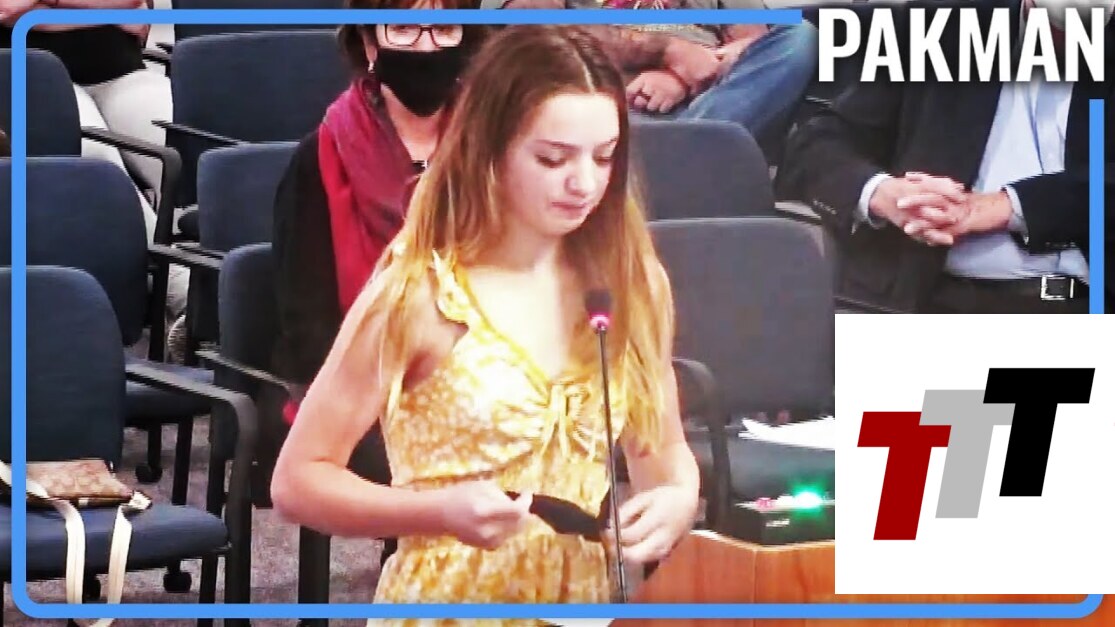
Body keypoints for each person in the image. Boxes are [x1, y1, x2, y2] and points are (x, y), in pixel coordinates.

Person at [271, 25, 700, 611]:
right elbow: (298, 481)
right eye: (552, 158)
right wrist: (434, 511)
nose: (584, 183)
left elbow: (662, 450)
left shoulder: (630, 282)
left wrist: (678, 495)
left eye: (604, 157)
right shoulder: (421, 293)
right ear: (491, 150)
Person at [269, 0, 487, 569]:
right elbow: (306, 321)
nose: (426, 46)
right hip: (362, 390)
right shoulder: (320, 156)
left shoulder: (493, 145)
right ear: (370, 42)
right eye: (405, 28)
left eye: (444, 28)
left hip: (484, 371)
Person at [777, 0, 1114, 314]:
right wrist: (883, 193)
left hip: (1073, 303)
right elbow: (815, 144)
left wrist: (1010, 205)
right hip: (921, 296)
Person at [0, 0, 189, 323]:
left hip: (119, 72)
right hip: (29, 81)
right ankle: (185, 293)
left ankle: (237, 284)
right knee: (99, 162)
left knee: (184, 142)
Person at [487, 0, 818, 157]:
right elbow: (531, 26)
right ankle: (685, 160)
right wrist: (665, 50)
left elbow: (753, 46)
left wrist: (681, 79)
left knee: (798, 36)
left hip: (711, 101)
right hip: (614, 102)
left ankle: (674, 161)